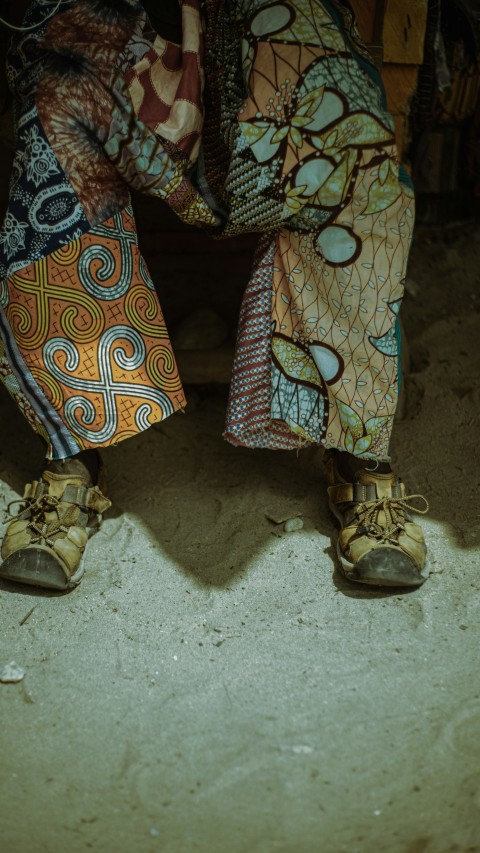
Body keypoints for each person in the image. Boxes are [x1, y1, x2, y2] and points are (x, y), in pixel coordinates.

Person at [0, 0, 429, 591]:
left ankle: (355, 447)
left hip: (267, 21)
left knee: (350, 126)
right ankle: (74, 454)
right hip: (118, 27)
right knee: (57, 108)